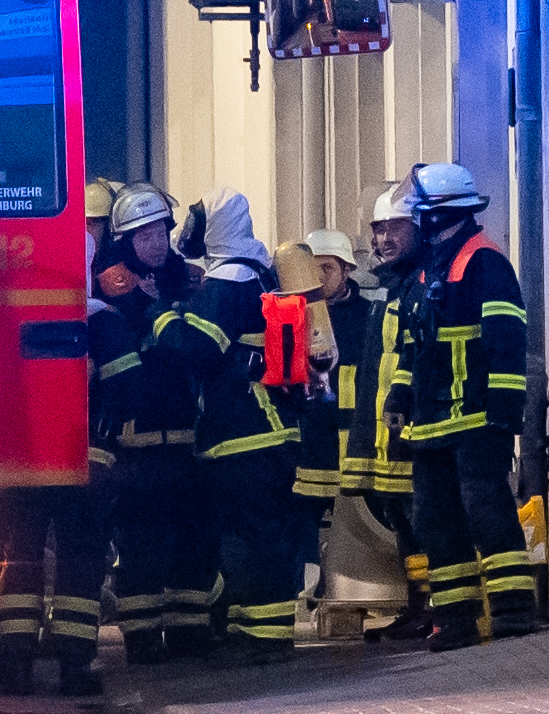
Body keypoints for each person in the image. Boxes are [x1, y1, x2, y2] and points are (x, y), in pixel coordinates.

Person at [384, 162, 535, 652]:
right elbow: (414, 345)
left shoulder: (484, 262)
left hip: (474, 418)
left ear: (439, 214)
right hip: (430, 421)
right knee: (435, 520)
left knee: (486, 511)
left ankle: (514, 610)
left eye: (421, 212)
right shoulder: (427, 267)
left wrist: (505, 412)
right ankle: (456, 618)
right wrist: (399, 394)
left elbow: (507, 342)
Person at [154, 188, 305, 664]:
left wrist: (159, 317)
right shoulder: (253, 271)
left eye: (195, 220)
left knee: (252, 537)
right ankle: (258, 634)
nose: (187, 232)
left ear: (214, 226)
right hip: (261, 430)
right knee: (256, 536)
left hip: (248, 434)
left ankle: (264, 640)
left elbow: (198, 348)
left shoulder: (230, 278)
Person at [0, 235, 129, 696]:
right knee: (80, 559)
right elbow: (130, 387)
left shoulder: (17, 312)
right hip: (84, 458)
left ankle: (13, 664)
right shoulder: (103, 320)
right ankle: (73, 666)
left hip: (24, 459)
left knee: (22, 554)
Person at [97, 182, 212, 661]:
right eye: (144, 236)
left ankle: (189, 634)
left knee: (192, 538)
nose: (156, 244)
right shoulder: (109, 288)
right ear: (125, 242)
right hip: (134, 444)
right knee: (139, 544)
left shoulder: (188, 280)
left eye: (161, 233)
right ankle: (142, 638)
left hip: (188, 439)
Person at [341, 184, 434, 639]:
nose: (382, 239)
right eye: (377, 230)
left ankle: (437, 606)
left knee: (425, 518)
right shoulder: (390, 287)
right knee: (402, 519)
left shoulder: (422, 284)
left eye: (394, 228)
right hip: (387, 430)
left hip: (414, 425)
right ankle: (419, 605)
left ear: (418, 227)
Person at [289, 230, 375, 544]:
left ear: (347, 270)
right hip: (309, 445)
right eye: (313, 268)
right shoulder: (294, 317)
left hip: (357, 448)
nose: (319, 276)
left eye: (327, 268)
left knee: (360, 538)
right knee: (303, 536)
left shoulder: (369, 317)